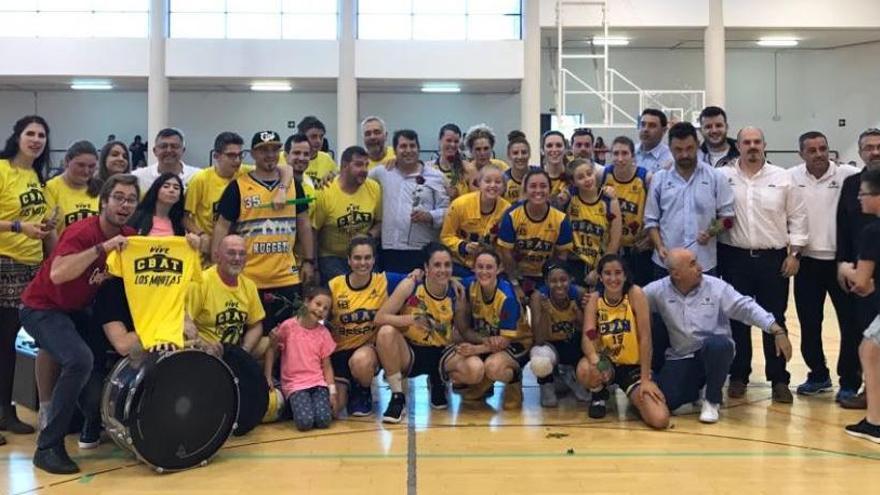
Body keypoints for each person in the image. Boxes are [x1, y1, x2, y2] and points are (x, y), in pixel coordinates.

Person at [19, 174, 138, 473]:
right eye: (119, 198)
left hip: (78, 310)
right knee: (78, 359)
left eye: (131, 199)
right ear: (104, 201)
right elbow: (58, 274)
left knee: (95, 360)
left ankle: (90, 421)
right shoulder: (82, 232)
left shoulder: (130, 235)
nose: (125, 204)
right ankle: (48, 447)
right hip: (41, 307)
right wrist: (102, 248)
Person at [645, 248, 792, 423]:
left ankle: (712, 399)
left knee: (719, 345)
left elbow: (746, 307)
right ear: (676, 274)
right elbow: (633, 299)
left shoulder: (716, 287)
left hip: (713, 351)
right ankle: (697, 388)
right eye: (692, 264)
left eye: (697, 262)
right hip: (681, 356)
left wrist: (776, 329)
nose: (700, 267)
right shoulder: (658, 290)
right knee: (667, 400)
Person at [718, 127, 808, 404]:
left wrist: (795, 254)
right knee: (737, 320)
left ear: (765, 145)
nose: (752, 146)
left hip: (773, 259)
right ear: (739, 147)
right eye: (747, 142)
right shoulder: (724, 176)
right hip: (735, 257)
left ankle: (779, 379)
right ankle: (738, 375)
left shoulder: (783, 178)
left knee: (774, 318)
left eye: (757, 142)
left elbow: (798, 218)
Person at [213, 130, 315, 335]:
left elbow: (304, 224)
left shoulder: (294, 185)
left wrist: (308, 261)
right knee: (251, 338)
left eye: (274, 149)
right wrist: (216, 263)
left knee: (289, 338)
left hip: (287, 277)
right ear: (253, 154)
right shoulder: (238, 187)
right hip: (249, 278)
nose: (269, 154)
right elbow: (222, 227)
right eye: (263, 150)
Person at [787, 131, 860, 397]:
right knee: (809, 323)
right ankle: (818, 374)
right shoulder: (791, 177)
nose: (819, 154)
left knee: (849, 325)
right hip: (806, 263)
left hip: (841, 263)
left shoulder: (847, 177)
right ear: (801, 154)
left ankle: (850, 381)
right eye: (812, 150)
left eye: (823, 148)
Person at [374, 243, 479, 422]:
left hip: (442, 353)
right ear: (426, 267)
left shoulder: (457, 290)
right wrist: (411, 320)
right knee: (385, 333)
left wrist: (482, 342)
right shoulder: (411, 285)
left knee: (475, 370)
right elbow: (380, 318)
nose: (443, 270)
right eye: (437, 265)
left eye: (447, 265)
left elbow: (462, 331)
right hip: (411, 352)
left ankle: (438, 379)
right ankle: (397, 397)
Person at [0, 115, 56, 443]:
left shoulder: (37, 177)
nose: (36, 140)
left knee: (11, 342)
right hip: (4, 263)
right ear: (17, 137)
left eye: (41, 135)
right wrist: (20, 227)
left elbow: (41, 224)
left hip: (30, 266)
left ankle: (7, 412)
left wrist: (46, 229)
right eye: (30, 134)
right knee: (1, 342)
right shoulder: (3, 169)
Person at [578, 254, 669, 428]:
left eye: (618, 273)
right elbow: (588, 336)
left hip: (632, 366)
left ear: (625, 275)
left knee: (660, 419)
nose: (613, 278)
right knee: (585, 369)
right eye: (607, 273)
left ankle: (635, 401)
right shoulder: (595, 300)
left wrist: (645, 379)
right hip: (607, 362)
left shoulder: (635, 294)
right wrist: (598, 361)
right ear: (600, 276)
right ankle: (599, 394)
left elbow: (645, 338)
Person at [644, 122, 735, 279]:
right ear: (670, 148)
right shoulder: (659, 179)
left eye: (689, 148)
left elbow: (728, 218)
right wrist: (659, 247)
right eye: (678, 150)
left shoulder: (716, 177)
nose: (684, 154)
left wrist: (711, 232)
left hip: (703, 263)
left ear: (698, 145)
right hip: (666, 263)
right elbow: (651, 221)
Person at [184, 132, 292, 262]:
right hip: (207, 248)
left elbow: (286, 169)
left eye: (240, 155)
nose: (237, 160)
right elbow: (184, 217)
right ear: (216, 156)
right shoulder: (200, 180)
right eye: (231, 156)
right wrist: (201, 234)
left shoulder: (245, 172)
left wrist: (282, 190)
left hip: (236, 249)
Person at [326, 236, 402, 416]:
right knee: (334, 410)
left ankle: (363, 388)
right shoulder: (334, 286)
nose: (363, 263)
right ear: (349, 260)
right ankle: (349, 386)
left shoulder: (383, 281)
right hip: (339, 351)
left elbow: (419, 280)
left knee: (361, 361)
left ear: (374, 259)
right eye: (358, 258)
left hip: (367, 350)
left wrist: (453, 282)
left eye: (367, 258)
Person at [836, 128, 880, 408]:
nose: (875, 151)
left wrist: (848, 271)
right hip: (864, 268)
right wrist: (844, 265)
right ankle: (866, 389)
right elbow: (842, 227)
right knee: (863, 337)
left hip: (866, 274)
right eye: (869, 147)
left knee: (870, 345)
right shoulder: (851, 184)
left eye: (879, 146)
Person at [457, 249, 532, 410]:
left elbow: (504, 341)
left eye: (489, 267)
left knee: (493, 367)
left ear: (499, 269)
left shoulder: (507, 298)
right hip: (489, 339)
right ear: (473, 268)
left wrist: (475, 349)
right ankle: (481, 381)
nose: (484, 271)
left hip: (516, 343)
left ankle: (514, 379)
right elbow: (448, 281)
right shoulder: (469, 285)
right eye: (480, 267)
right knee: (455, 341)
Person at [369, 129, 449, 273]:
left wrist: (431, 216)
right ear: (395, 150)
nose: (408, 150)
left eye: (412, 146)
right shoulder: (383, 172)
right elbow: (358, 177)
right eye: (403, 146)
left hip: (421, 250)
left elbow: (448, 212)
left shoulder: (436, 176)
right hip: (389, 249)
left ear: (418, 149)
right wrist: (331, 175)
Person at [841, 168, 880, 442]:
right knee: (870, 349)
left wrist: (845, 269)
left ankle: (875, 423)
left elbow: (863, 282)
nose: (859, 199)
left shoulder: (872, 231)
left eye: (864, 193)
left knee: (868, 350)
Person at [264, 286, 336, 432]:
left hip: (318, 383)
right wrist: (268, 376)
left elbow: (327, 366)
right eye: (318, 304)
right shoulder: (288, 327)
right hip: (295, 385)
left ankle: (303, 406)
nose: (321, 310)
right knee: (305, 423)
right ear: (306, 302)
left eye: (326, 308)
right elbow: (272, 350)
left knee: (324, 420)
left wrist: (332, 391)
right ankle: (291, 407)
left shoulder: (323, 333)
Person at [498, 169, 573, 300]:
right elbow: (506, 254)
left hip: (545, 276)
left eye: (543, 186)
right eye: (533, 186)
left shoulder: (560, 219)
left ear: (550, 190)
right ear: (525, 190)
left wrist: (551, 282)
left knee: (539, 300)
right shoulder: (512, 215)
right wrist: (515, 285)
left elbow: (562, 256)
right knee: (509, 299)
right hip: (517, 275)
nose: (538, 190)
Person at [186, 235, 264, 356]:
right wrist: (203, 345)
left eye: (242, 254)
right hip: (204, 351)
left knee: (268, 342)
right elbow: (185, 323)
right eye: (231, 253)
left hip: (234, 351)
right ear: (217, 256)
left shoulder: (249, 286)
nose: (237, 258)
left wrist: (243, 351)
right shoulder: (200, 282)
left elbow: (256, 326)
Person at [313, 145, 382, 281]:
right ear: (344, 166)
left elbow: (379, 223)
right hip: (332, 257)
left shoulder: (373, 187)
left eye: (366, 165)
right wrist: (312, 264)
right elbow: (314, 231)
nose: (364, 170)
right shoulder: (325, 191)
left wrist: (367, 237)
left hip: (364, 255)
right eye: (358, 165)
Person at [528, 261, 587, 407]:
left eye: (563, 280)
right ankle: (547, 385)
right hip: (550, 345)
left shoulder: (579, 293)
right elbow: (539, 340)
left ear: (570, 279)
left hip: (573, 344)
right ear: (547, 282)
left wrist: (578, 315)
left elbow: (589, 331)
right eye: (553, 281)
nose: (559, 285)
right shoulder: (538, 297)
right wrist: (544, 314)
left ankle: (572, 376)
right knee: (539, 360)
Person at [440, 164, 510, 278]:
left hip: (491, 268)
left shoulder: (507, 210)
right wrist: (463, 246)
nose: (492, 185)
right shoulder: (459, 205)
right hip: (460, 265)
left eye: (498, 182)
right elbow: (445, 236)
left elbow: (504, 246)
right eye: (487, 181)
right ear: (479, 183)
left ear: (504, 187)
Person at [601, 136, 653, 286]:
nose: (620, 158)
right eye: (616, 153)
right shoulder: (603, 175)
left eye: (624, 153)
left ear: (633, 156)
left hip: (638, 247)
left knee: (640, 289)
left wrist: (650, 236)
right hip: (611, 246)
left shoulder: (646, 177)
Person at [566, 159, 621, 287]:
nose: (587, 179)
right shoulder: (570, 198)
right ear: (573, 182)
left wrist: (598, 271)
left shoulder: (609, 200)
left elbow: (615, 241)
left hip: (600, 262)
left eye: (589, 174)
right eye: (580, 177)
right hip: (574, 262)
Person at [45, 140, 101, 235]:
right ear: (67, 161)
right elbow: (49, 231)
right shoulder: (50, 188)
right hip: (63, 248)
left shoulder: (100, 188)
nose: (86, 171)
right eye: (81, 165)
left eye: (91, 166)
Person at [131, 127, 199, 194]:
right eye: (163, 146)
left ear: (183, 151)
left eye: (174, 146)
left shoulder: (197, 176)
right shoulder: (138, 177)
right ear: (155, 151)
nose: (169, 150)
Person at [427, 123, 470, 200]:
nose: (452, 145)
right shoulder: (429, 168)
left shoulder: (467, 168)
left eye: (456, 141)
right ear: (440, 141)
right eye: (448, 140)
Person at [298, 116, 336, 184]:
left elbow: (338, 175)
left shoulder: (326, 158)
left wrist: (333, 175)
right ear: (301, 137)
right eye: (313, 136)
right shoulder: (285, 157)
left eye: (321, 137)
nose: (318, 141)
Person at [502, 130, 537, 204]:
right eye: (515, 153)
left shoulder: (539, 174)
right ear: (509, 155)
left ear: (529, 154)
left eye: (524, 152)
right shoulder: (503, 180)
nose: (520, 157)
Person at [635, 108, 674, 173]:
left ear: (664, 131)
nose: (645, 129)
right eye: (643, 124)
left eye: (652, 126)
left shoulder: (670, 158)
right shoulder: (630, 152)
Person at [540, 131, 570, 209]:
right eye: (549, 146)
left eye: (559, 145)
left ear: (565, 149)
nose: (554, 149)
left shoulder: (574, 177)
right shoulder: (536, 178)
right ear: (542, 150)